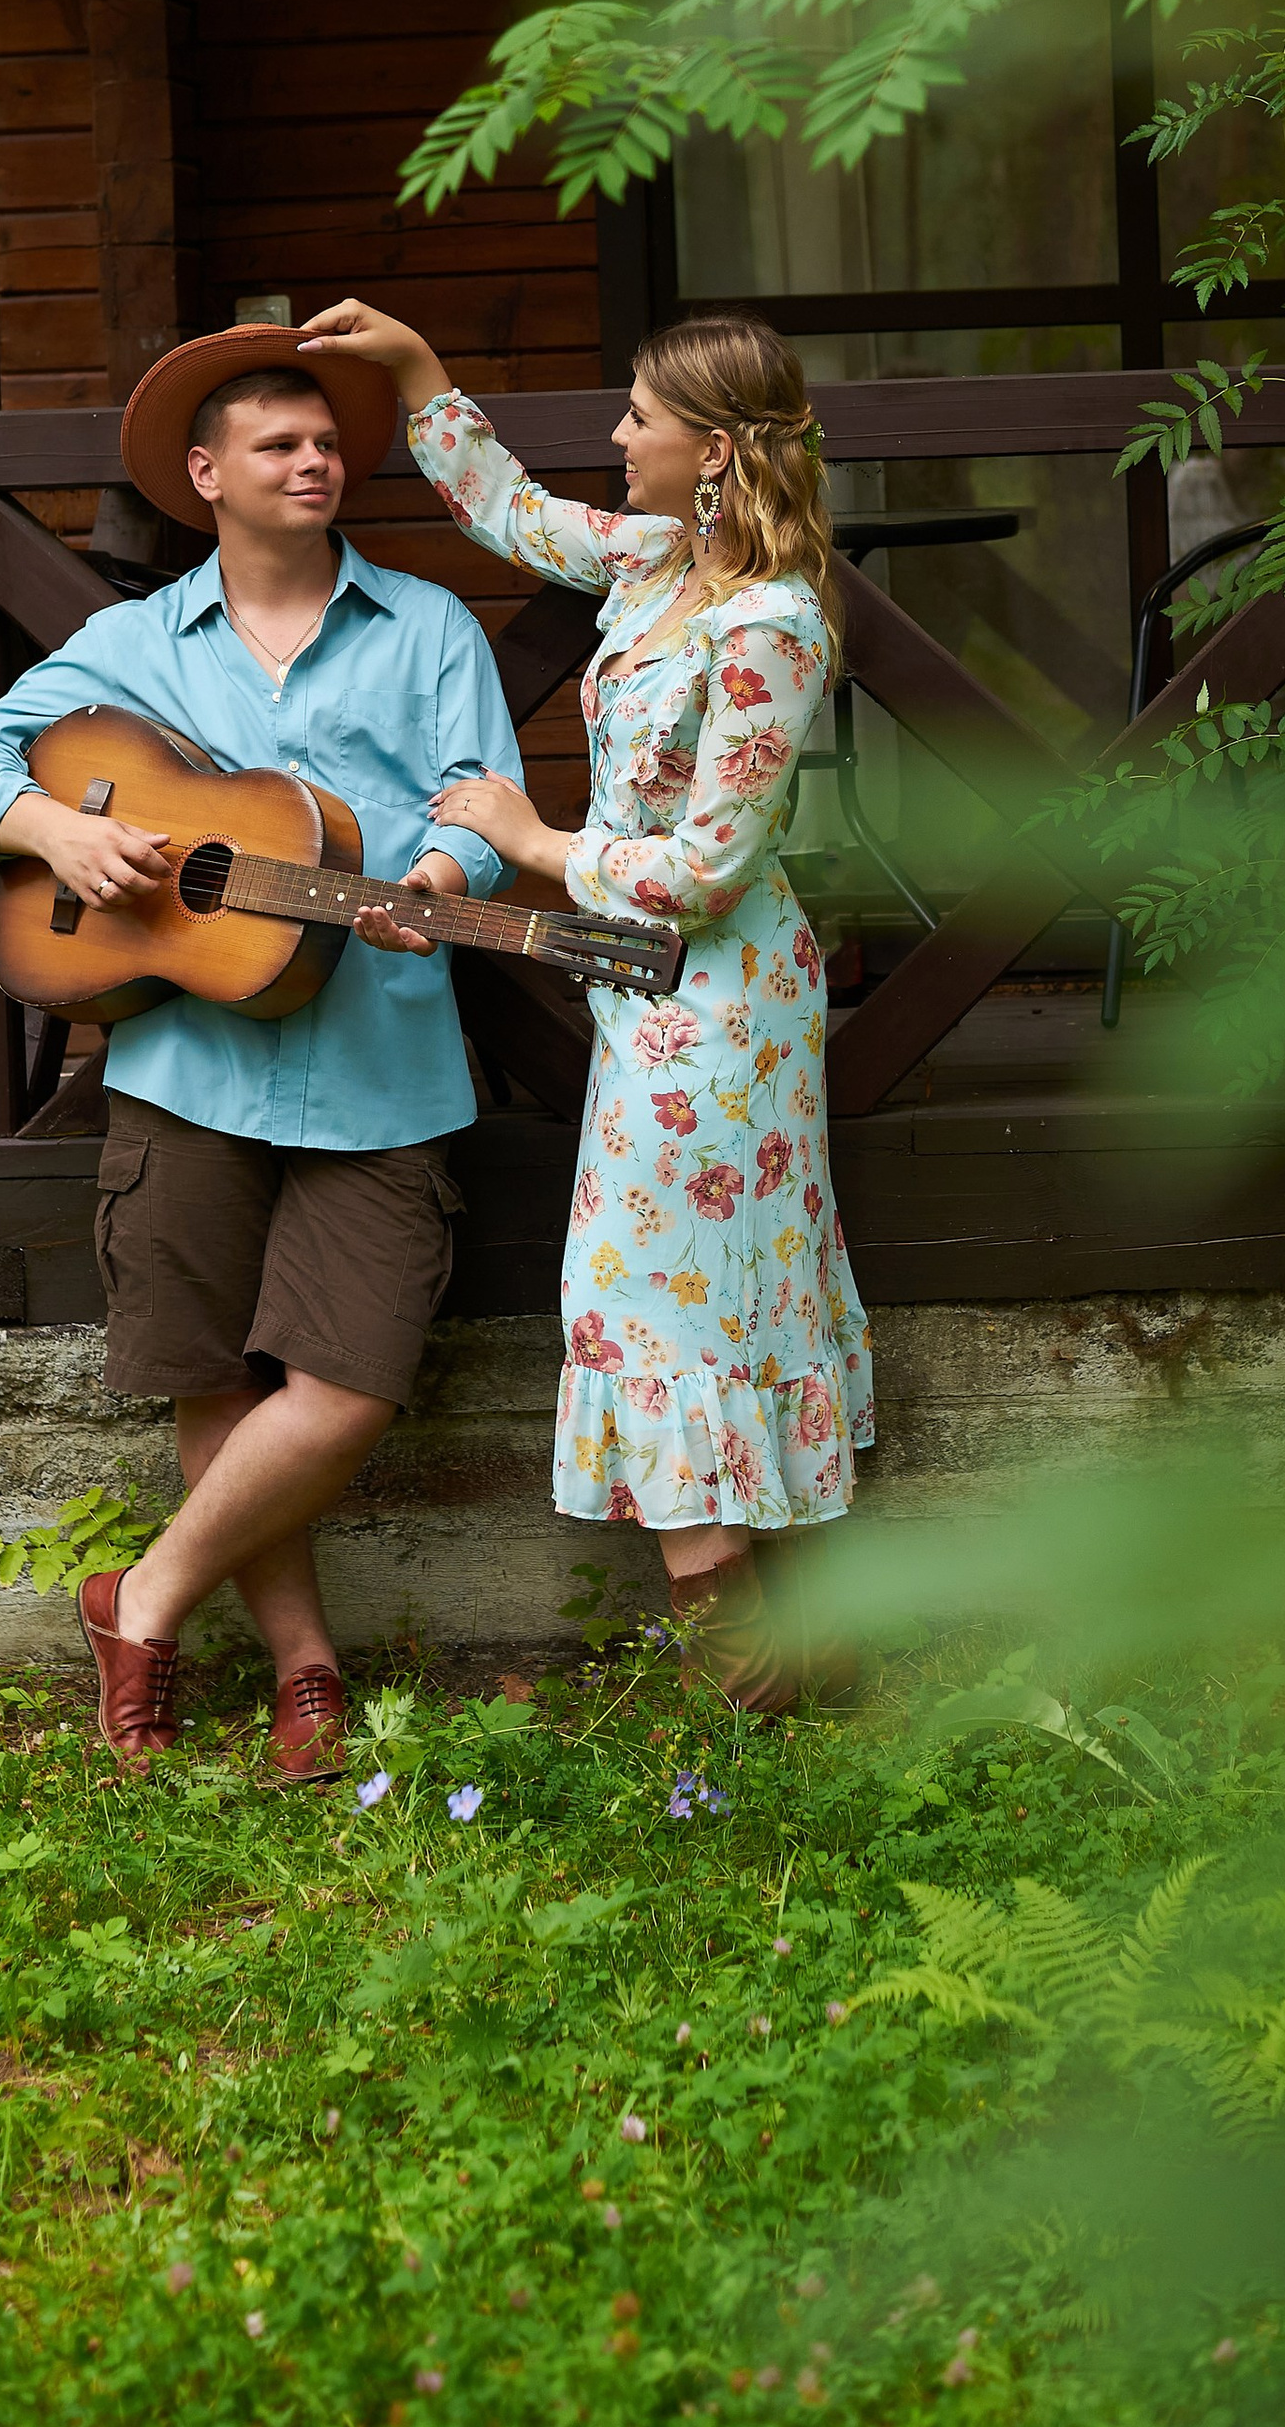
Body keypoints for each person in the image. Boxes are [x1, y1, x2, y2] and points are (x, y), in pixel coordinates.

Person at [0, 327, 524, 1781]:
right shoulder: (131, 647)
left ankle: (141, 1599)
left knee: (352, 1380)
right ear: (208, 477)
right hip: (188, 1066)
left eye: (327, 444)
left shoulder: (432, 627)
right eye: (281, 444)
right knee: (213, 1374)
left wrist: (439, 884)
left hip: (382, 1057)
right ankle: (305, 1677)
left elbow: (478, 801)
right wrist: (60, 830)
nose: (316, 462)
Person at [298, 296, 873, 1714]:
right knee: (693, 1298)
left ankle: (745, 1671)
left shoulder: (770, 625)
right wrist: (421, 367)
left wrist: (531, 836)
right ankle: (789, 1650)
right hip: (645, 996)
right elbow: (512, 512)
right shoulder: (657, 563)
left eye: (640, 416)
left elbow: (707, 868)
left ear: (718, 450)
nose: (618, 435)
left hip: (723, 1001)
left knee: (651, 1301)